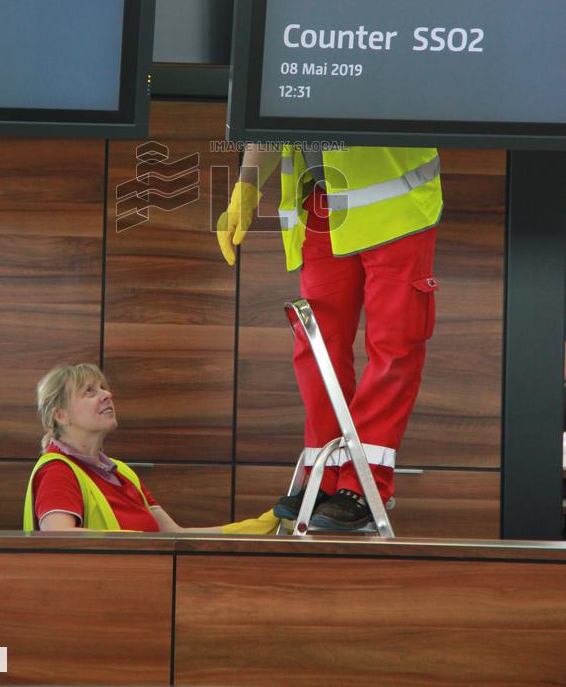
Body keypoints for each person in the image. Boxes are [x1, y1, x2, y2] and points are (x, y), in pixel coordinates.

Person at [217, 143, 441, 532]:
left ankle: (364, 483)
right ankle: (326, 477)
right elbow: (271, 121)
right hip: (321, 207)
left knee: (394, 345)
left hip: (396, 205)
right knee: (316, 347)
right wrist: (247, 187)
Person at [23, 362, 276, 534]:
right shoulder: (58, 471)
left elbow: (175, 535)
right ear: (60, 415)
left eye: (103, 387)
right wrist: (139, 542)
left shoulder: (122, 473)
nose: (107, 394)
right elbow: (58, 540)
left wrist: (262, 525)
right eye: (90, 392)